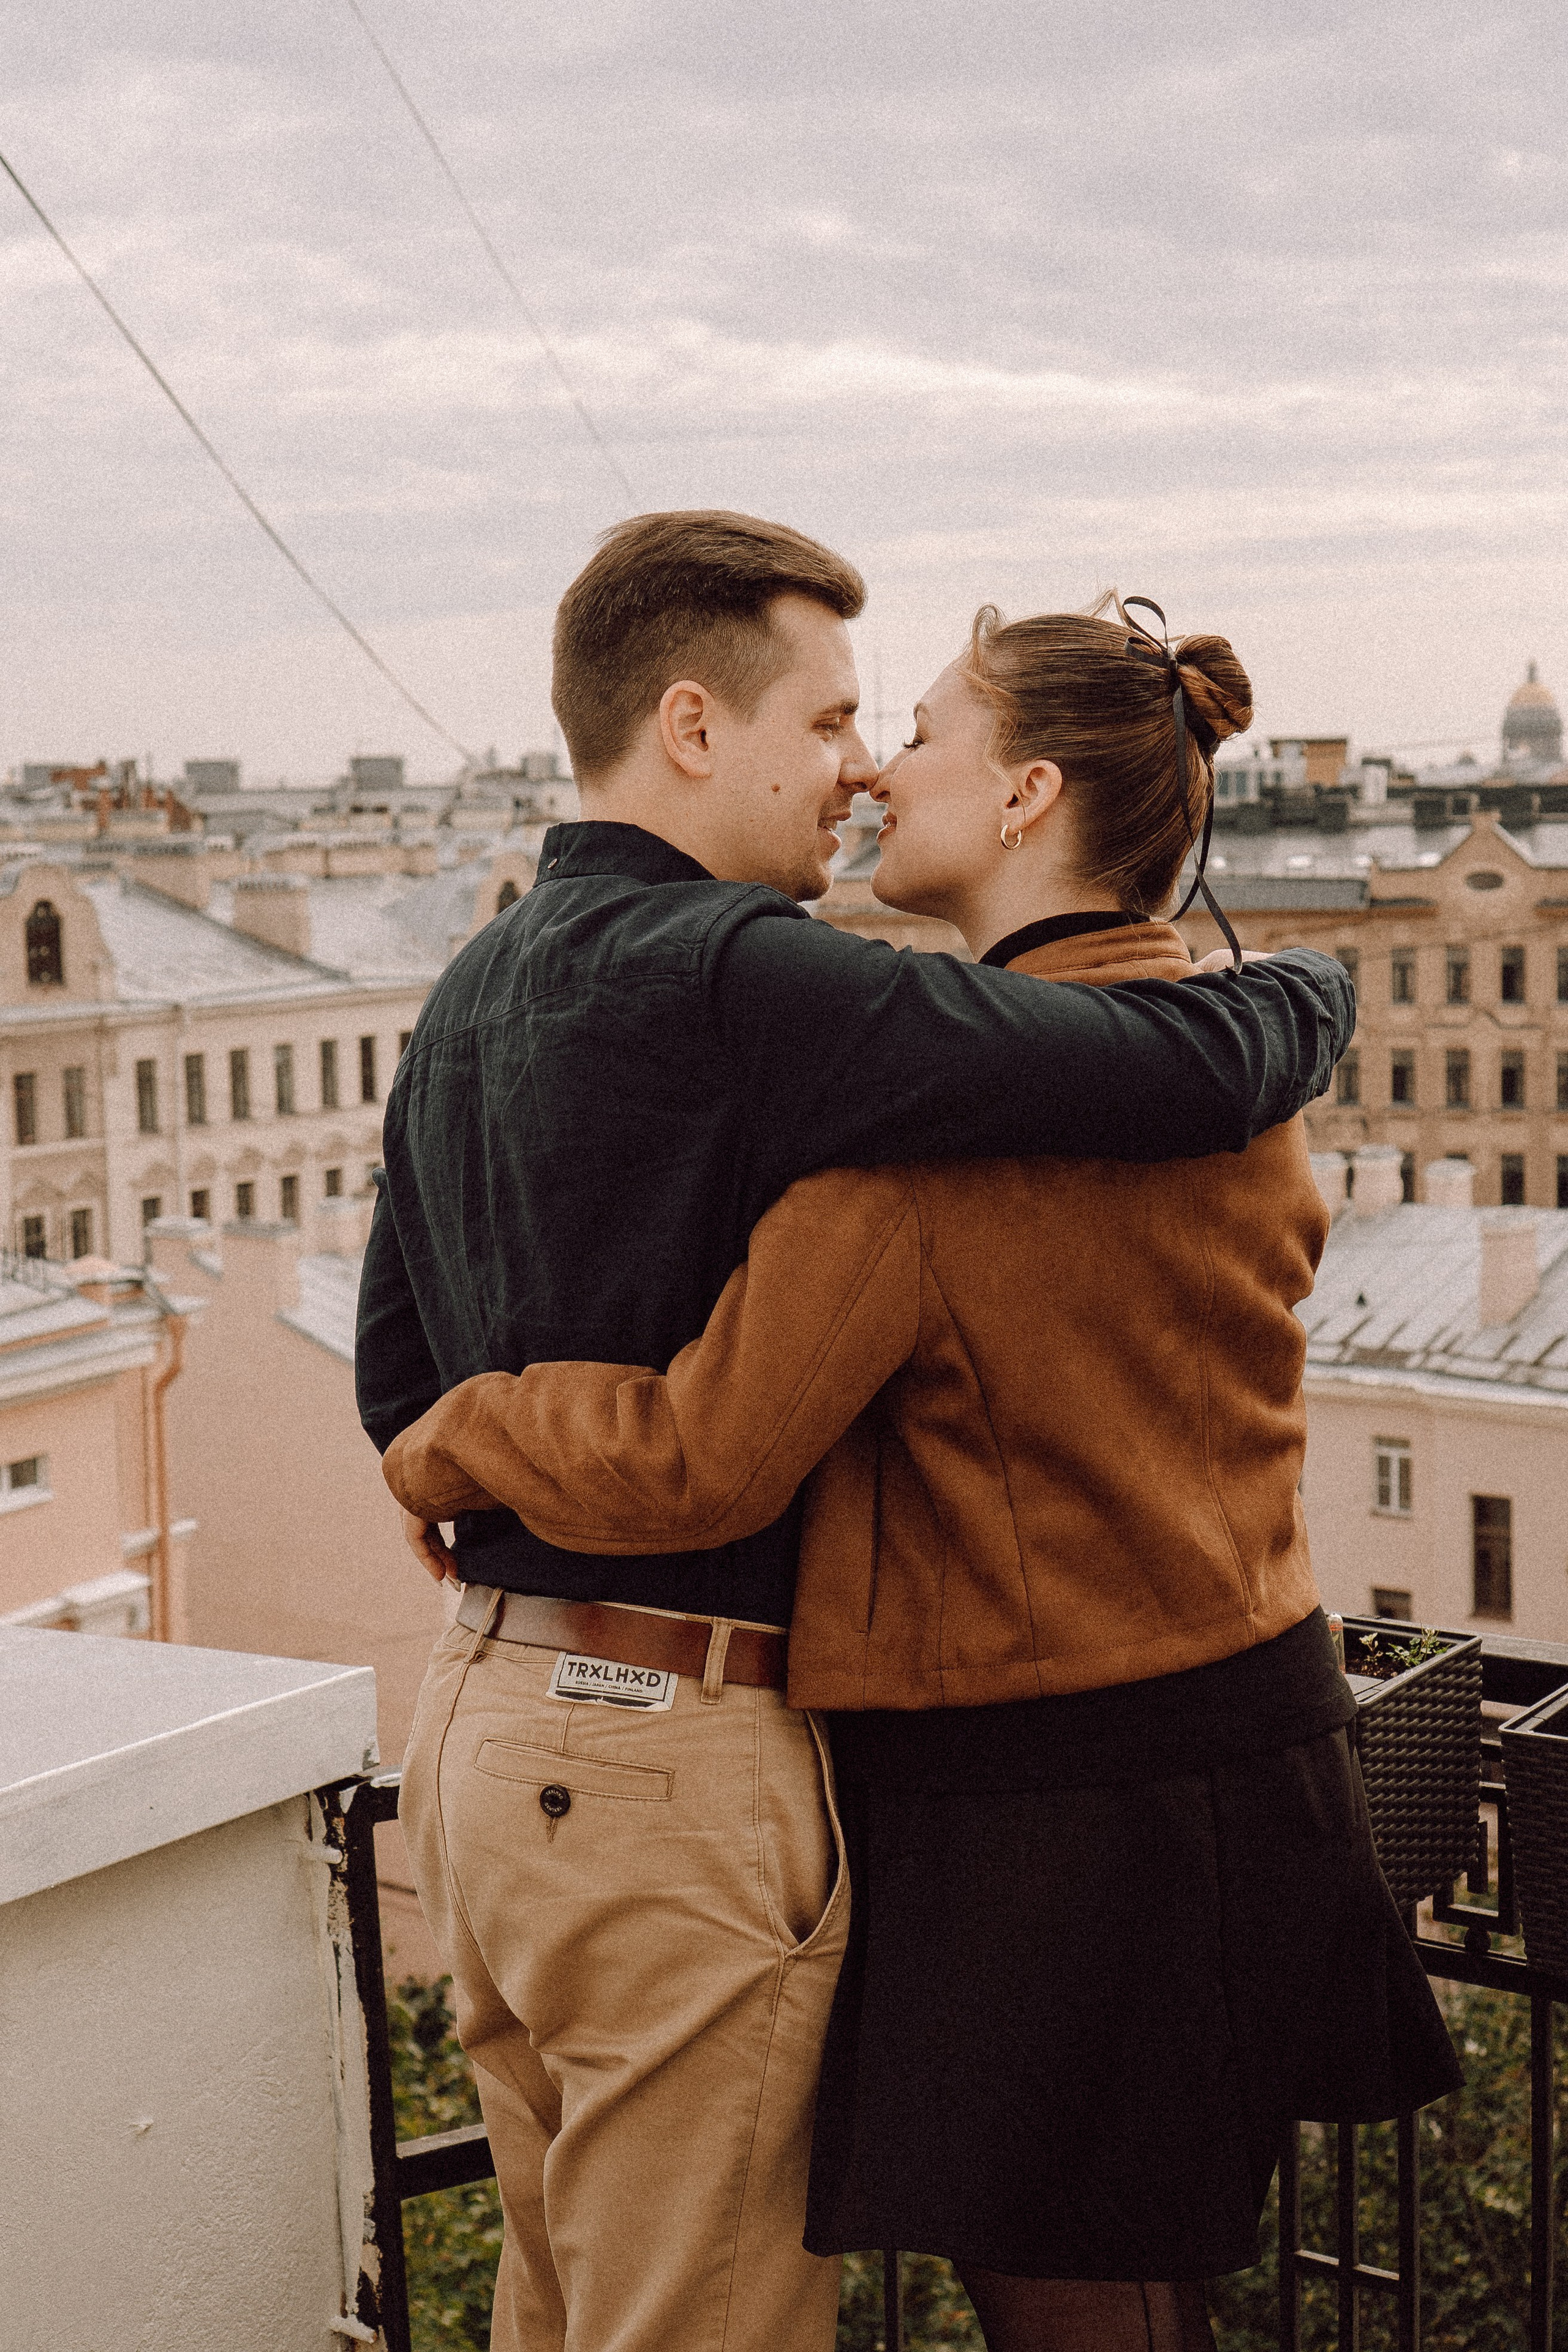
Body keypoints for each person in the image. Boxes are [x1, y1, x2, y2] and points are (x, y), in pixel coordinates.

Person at [381, 594, 1460, 2352]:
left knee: (1065, 2299)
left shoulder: (931, 1144)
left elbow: (695, 1459)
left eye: (928, 734)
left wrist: (455, 1436)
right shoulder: (1230, 1081)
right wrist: (1306, 991)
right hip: (1253, 1742)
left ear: (1029, 794)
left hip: (1041, 1800)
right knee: (1149, 2283)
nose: (880, 765)